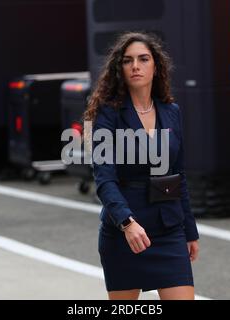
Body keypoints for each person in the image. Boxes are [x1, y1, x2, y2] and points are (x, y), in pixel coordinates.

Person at [84, 32, 199, 300]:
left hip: (168, 228)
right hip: (126, 233)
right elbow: (104, 180)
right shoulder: (107, 113)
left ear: (155, 66)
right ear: (119, 68)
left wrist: (190, 231)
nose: (136, 65)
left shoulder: (172, 111)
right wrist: (127, 223)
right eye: (128, 60)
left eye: (143, 59)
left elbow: (178, 175)